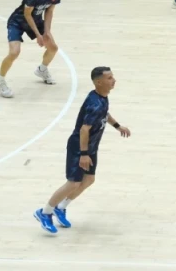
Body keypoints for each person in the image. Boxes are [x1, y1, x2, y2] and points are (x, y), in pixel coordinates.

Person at [34, 66, 132, 233]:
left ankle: (61, 207)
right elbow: (84, 129)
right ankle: (45, 212)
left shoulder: (102, 97)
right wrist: (84, 154)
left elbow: (105, 113)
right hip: (80, 147)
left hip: (91, 147)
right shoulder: (94, 103)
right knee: (73, 182)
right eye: (109, 78)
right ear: (99, 82)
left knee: (89, 180)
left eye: (112, 77)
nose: (113, 80)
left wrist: (117, 126)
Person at [0, 0, 64, 98]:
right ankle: (0, 81)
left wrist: (47, 31)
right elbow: (27, 14)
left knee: (53, 47)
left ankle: (42, 70)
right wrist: (38, 35)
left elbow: (49, 10)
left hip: (37, 20)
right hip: (18, 21)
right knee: (14, 52)